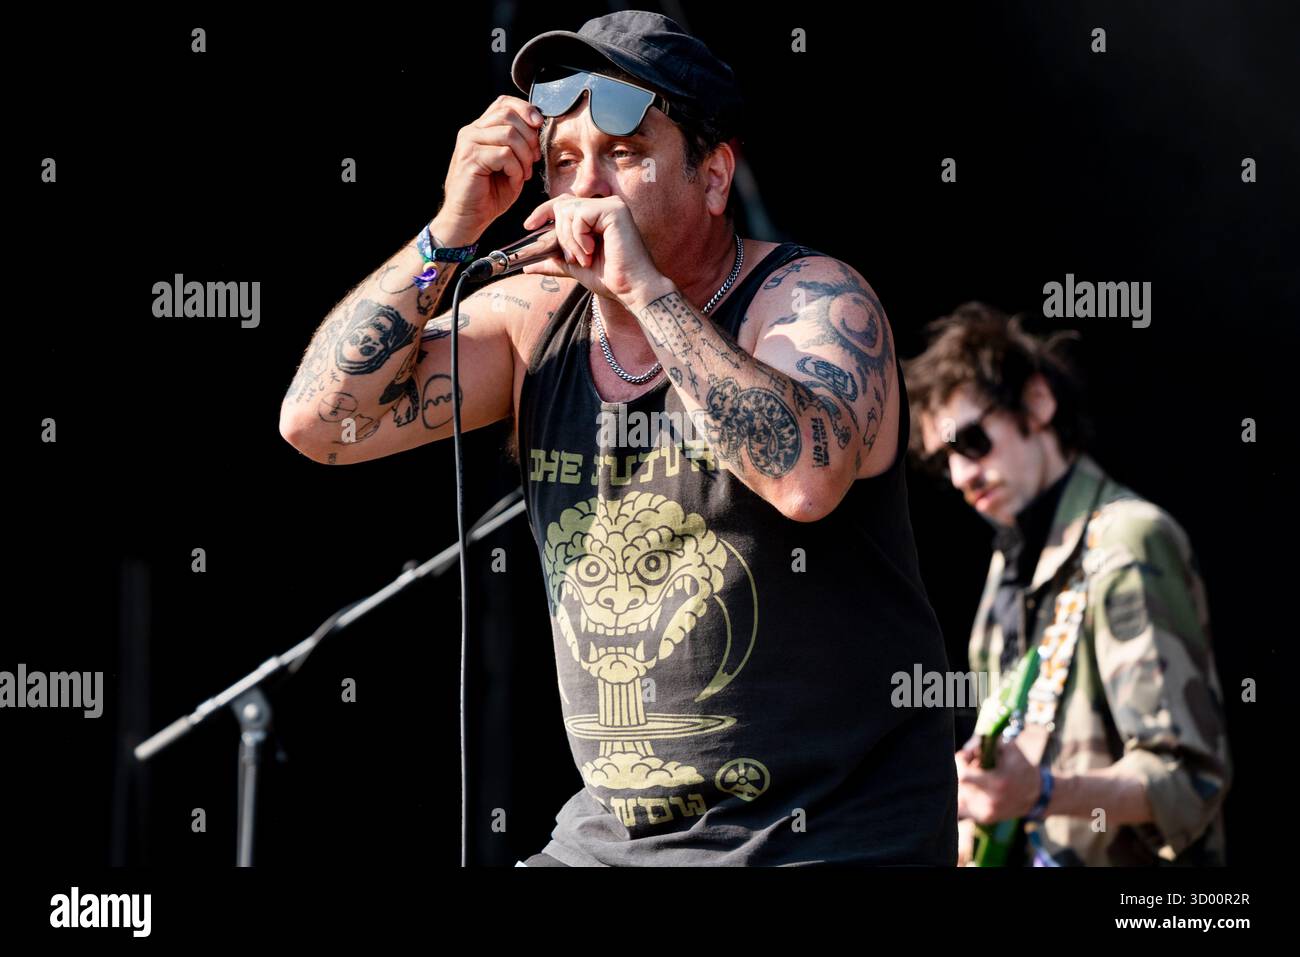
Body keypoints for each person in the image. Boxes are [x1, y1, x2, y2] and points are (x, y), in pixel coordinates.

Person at [280, 10, 956, 865]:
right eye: (563, 164)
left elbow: (804, 480)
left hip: (823, 838)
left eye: (625, 155)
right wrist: (449, 232)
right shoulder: (535, 322)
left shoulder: (812, 298)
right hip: (614, 841)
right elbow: (318, 423)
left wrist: (645, 291)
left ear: (715, 178)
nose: (585, 189)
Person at [906, 302, 1231, 865]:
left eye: (971, 441)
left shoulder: (1128, 541)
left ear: (1036, 402)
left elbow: (1189, 779)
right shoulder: (1006, 567)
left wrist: (1044, 793)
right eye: (943, 461)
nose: (960, 475)